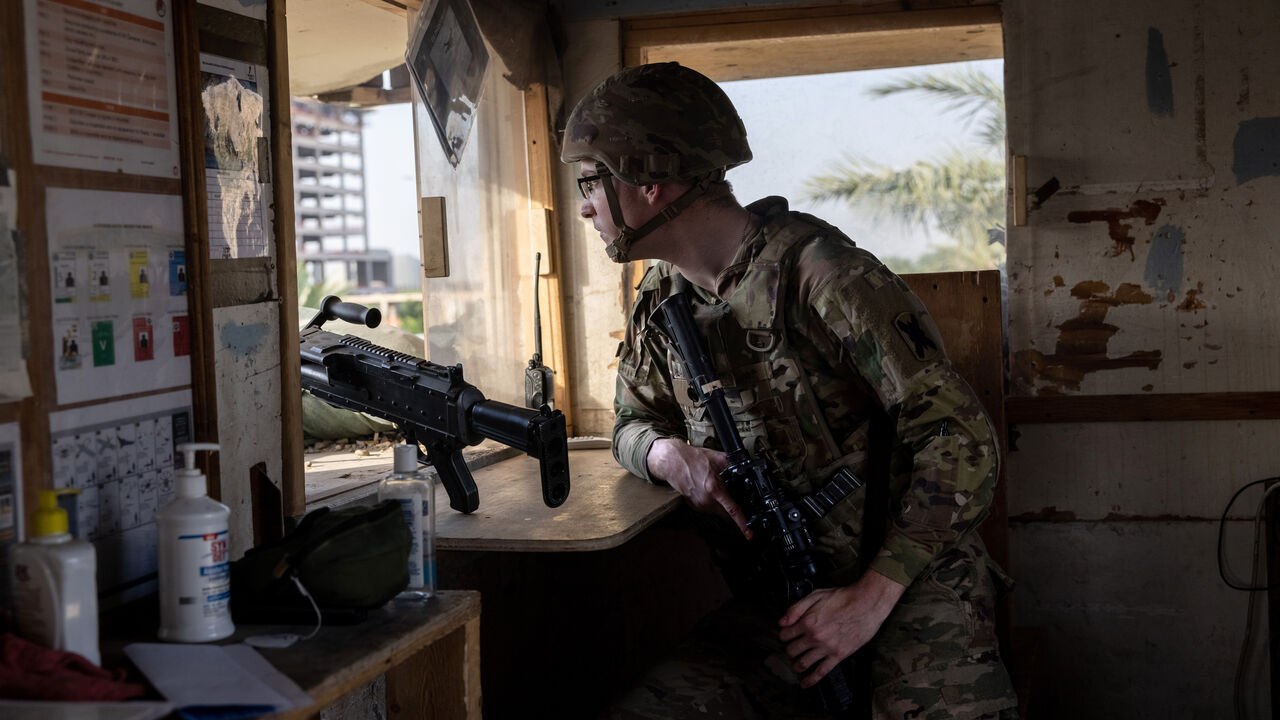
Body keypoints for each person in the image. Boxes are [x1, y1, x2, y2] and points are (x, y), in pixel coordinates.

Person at [561, 62, 1017, 719]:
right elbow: (631, 426)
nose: (584, 206)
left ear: (648, 180)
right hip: (783, 603)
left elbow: (961, 439)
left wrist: (866, 600)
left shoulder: (824, 278)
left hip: (910, 588)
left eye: (590, 182)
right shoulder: (663, 301)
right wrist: (670, 458)